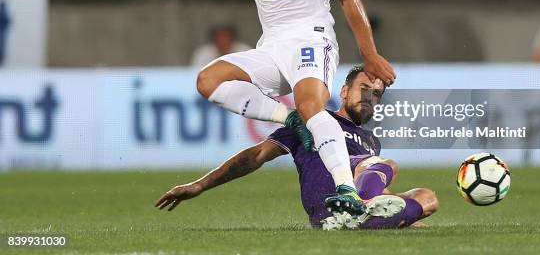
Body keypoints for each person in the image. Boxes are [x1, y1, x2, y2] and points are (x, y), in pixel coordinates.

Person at [134, 0, 396, 214]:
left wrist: (370, 54)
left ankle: (346, 189)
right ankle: (289, 120)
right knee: (207, 80)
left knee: (311, 106)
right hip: (271, 45)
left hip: (311, 38)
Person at [154, 65, 438, 230]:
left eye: (376, 94)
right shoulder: (313, 120)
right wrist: (200, 186)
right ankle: (353, 208)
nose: (369, 97)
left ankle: (360, 214)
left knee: (427, 197)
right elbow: (256, 155)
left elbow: (377, 189)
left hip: (355, 210)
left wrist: (404, 217)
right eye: (363, 88)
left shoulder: (371, 141)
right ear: (343, 91)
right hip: (327, 205)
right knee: (385, 165)